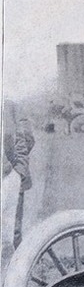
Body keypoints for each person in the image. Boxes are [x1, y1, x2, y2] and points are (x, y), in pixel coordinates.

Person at [2, 98, 35, 256]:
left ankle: (10, 277)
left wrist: (18, 170)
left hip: (8, 176)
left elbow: (25, 138)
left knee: (11, 235)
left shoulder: (10, 104)